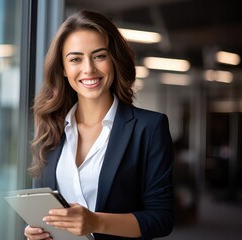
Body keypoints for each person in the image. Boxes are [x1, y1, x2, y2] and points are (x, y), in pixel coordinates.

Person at [25, 10, 174, 240]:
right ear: (63, 69)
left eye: (99, 56)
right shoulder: (50, 128)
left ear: (114, 60)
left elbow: (161, 218)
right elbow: (46, 207)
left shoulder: (149, 127)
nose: (88, 69)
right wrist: (36, 229)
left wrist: (95, 222)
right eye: (75, 59)